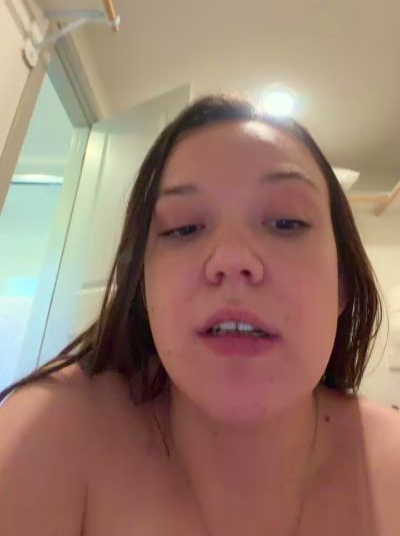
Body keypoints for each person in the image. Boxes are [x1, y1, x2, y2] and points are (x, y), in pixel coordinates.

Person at [0, 93, 399, 536]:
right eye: (183, 228)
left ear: (343, 282)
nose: (231, 259)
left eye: (287, 222)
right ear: (143, 285)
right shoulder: (50, 434)